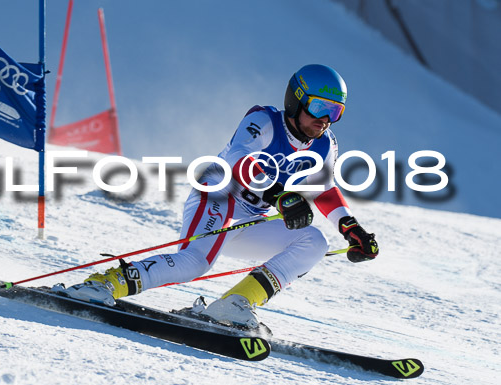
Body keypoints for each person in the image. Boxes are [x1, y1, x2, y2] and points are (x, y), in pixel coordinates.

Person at [57, 64, 379, 328]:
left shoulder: (326, 144)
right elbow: (237, 158)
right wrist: (279, 195)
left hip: (249, 219)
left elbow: (323, 188)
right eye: (319, 107)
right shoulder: (264, 120)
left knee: (314, 242)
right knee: (194, 262)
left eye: (334, 112)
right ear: (296, 100)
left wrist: (351, 228)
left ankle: (234, 304)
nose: (324, 120)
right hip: (218, 199)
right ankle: (102, 285)